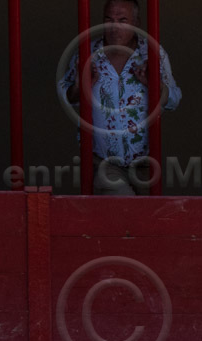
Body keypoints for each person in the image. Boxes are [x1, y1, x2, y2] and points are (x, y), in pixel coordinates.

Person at [58, 0, 182, 195]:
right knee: (122, 203)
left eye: (122, 20)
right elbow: (67, 96)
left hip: (146, 162)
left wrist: (155, 86)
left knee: (146, 218)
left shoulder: (153, 54)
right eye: (109, 20)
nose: (114, 28)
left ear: (136, 23)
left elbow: (174, 100)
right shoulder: (87, 54)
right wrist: (80, 86)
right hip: (104, 162)